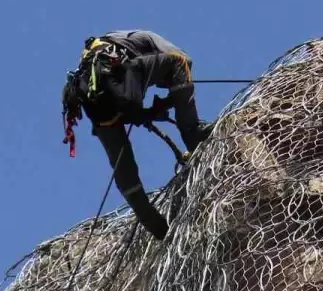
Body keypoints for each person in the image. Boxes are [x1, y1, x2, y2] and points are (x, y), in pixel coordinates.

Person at [61, 30, 213, 239]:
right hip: (119, 82)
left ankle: (153, 224)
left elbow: (130, 107)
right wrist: (171, 100)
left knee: (123, 168)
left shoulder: (98, 56)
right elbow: (184, 61)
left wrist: (153, 110)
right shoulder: (147, 39)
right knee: (180, 63)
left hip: (96, 104)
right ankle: (192, 134)